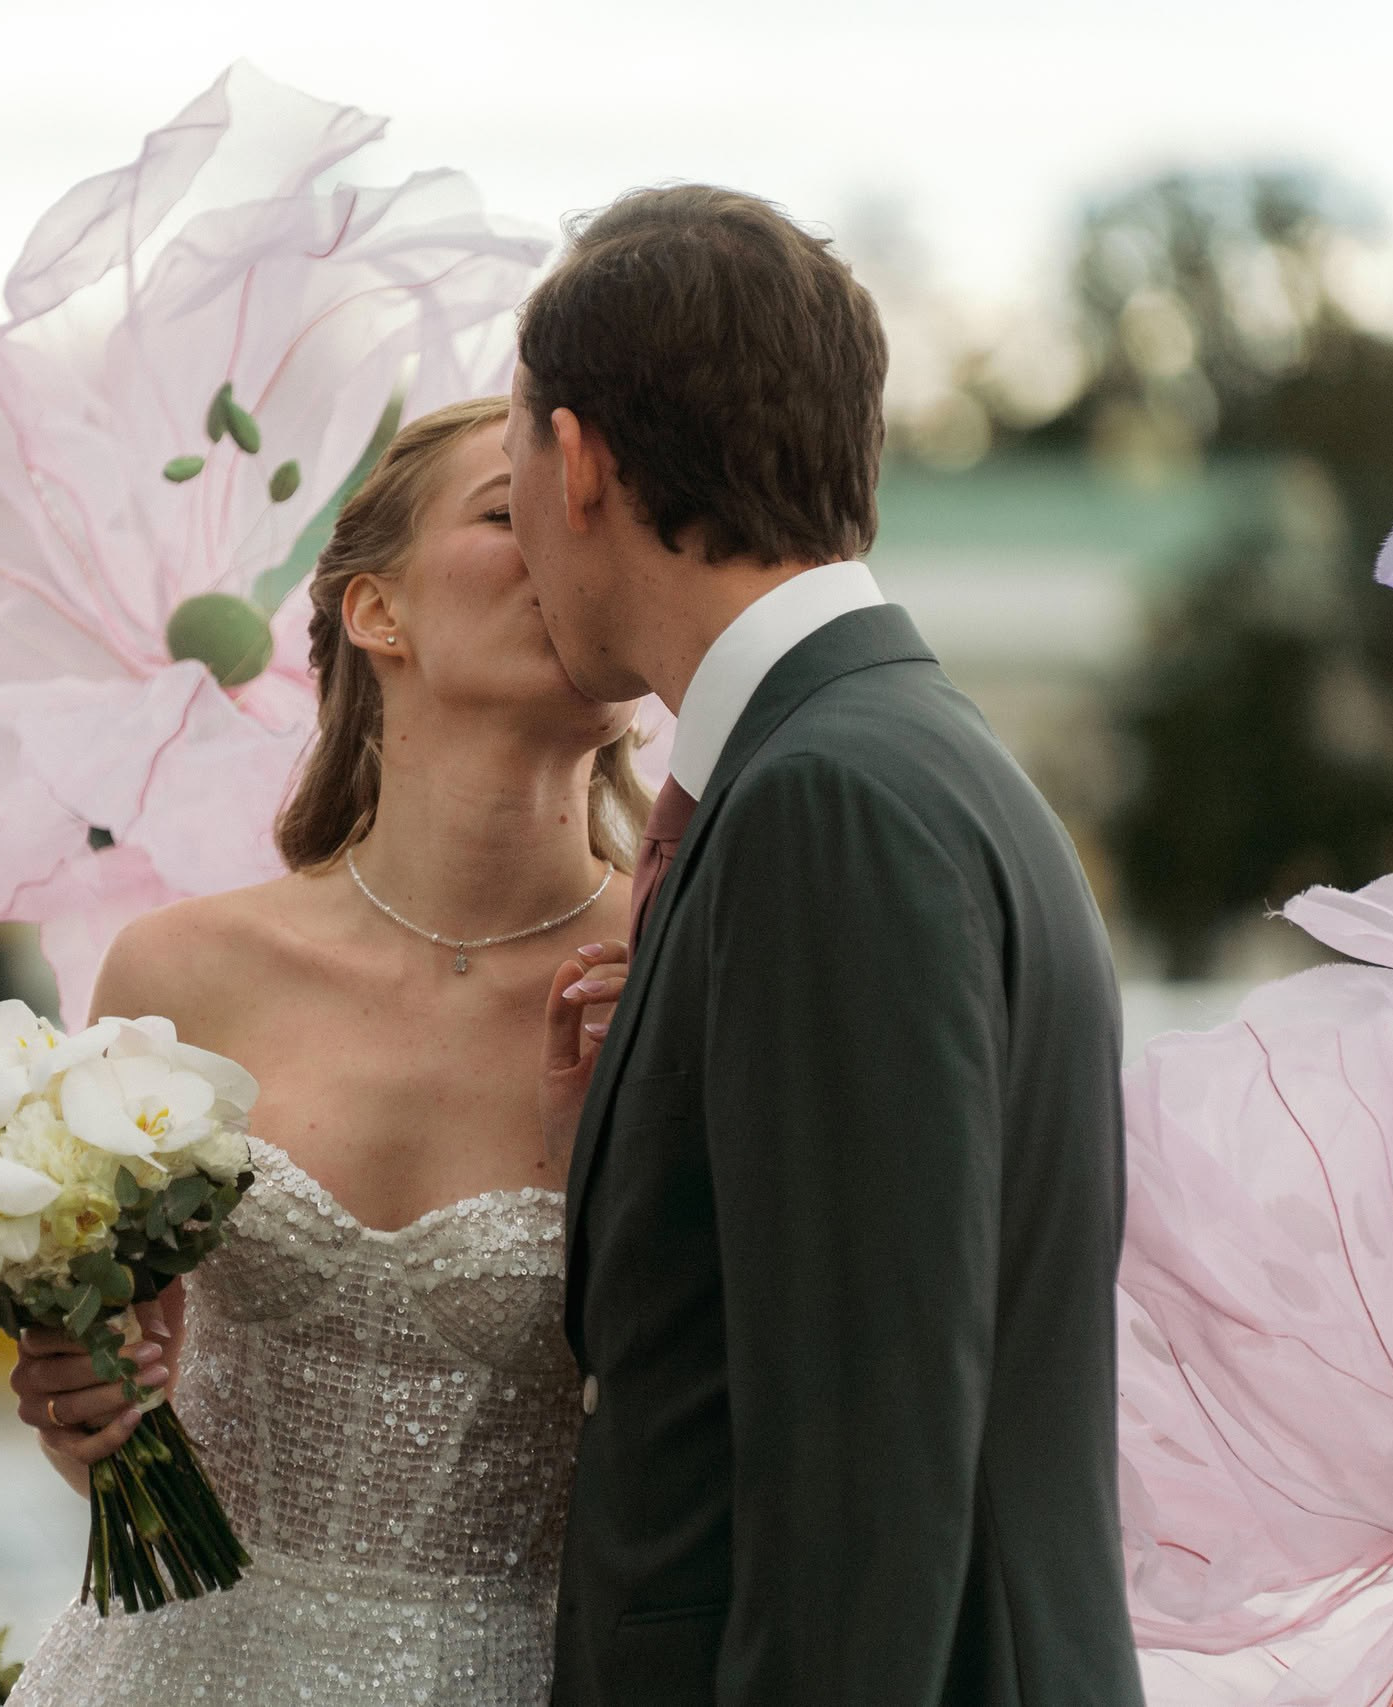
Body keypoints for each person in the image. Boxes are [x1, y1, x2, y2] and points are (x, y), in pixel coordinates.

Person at [513, 186, 1146, 1706]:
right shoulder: (891, 759)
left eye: (516, 460)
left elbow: (864, 1486)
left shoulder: (829, 805)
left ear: (580, 461)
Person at [3, 396, 649, 1704]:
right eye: (506, 513)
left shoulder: (684, 973)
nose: (567, 549)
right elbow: (123, 1433)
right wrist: (89, 1412)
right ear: (376, 612)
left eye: (605, 522)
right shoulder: (180, 975)